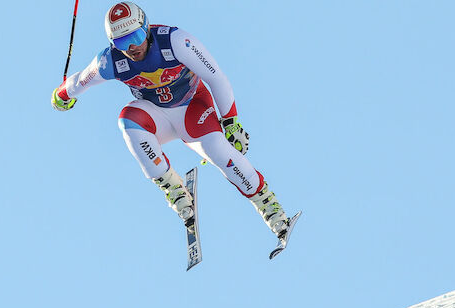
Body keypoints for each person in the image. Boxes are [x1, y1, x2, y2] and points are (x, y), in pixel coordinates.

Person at [51, 2, 293, 240]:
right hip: (156, 115)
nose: (132, 47)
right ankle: (174, 189)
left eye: (135, 36)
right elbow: (80, 81)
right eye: (123, 42)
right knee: (127, 121)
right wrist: (62, 95)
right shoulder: (111, 61)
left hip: (193, 109)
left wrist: (231, 122)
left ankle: (269, 207)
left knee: (217, 150)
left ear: (145, 27)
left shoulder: (176, 42)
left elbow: (216, 78)